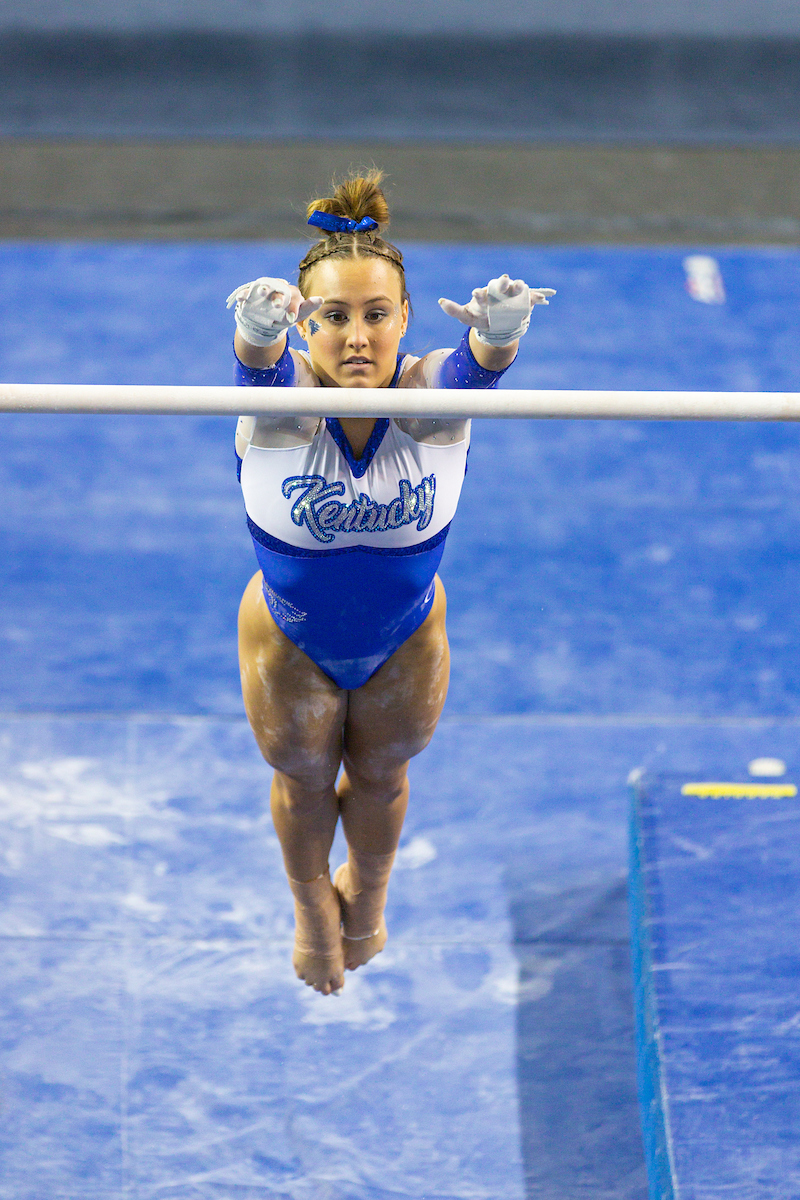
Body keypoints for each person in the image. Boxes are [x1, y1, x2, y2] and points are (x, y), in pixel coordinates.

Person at [228, 171, 554, 995]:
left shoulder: (426, 398)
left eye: (377, 315)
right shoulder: (288, 400)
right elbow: (265, 378)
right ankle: (310, 911)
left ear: (406, 319)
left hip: (404, 634)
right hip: (288, 635)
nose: (358, 337)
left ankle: (367, 896)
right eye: (333, 317)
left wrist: (500, 339)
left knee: (384, 774)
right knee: (302, 776)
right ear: (307, 325)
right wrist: (256, 339)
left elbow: (470, 376)